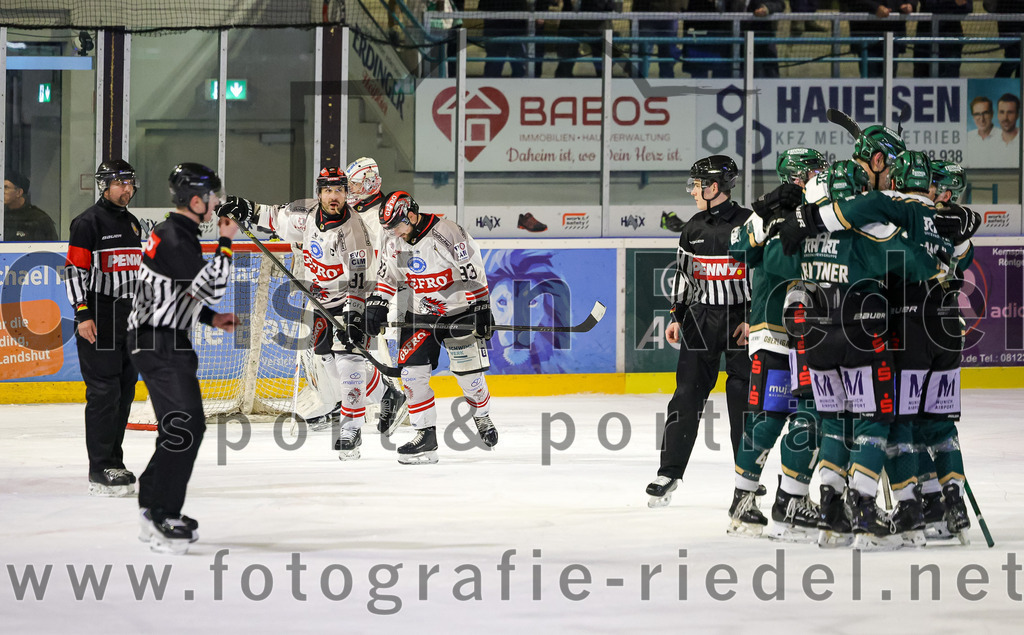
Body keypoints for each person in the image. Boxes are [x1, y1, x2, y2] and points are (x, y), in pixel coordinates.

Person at [218, 167, 389, 460]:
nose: (334, 197)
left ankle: (351, 428)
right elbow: (271, 215)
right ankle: (387, 395)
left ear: (347, 193)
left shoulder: (355, 231)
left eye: (339, 191)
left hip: (351, 299)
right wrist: (244, 207)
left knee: (348, 361)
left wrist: (355, 317)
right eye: (328, 191)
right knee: (327, 363)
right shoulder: (305, 212)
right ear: (319, 192)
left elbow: (360, 280)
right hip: (319, 299)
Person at [129, 163, 236, 555]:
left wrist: (211, 319)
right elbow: (212, 286)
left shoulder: (173, 232)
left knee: (181, 426)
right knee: (186, 427)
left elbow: (178, 294)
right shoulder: (175, 236)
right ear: (196, 201)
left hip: (159, 341)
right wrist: (226, 241)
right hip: (159, 344)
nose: (217, 204)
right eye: (213, 198)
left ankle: (151, 504)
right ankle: (162, 513)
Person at [726, 147, 827, 539]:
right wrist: (766, 214)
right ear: (799, 176)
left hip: (811, 330)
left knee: (813, 412)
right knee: (773, 416)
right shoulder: (776, 210)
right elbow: (738, 246)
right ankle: (751, 498)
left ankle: (787, 498)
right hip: (774, 328)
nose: (823, 176)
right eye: (817, 171)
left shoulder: (821, 205)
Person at [646, 155, 752, 507]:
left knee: (742, 397)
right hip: (702, 319)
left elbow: (765, 276)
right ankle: (669, 471)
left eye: (696, 184)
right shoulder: (692, 228)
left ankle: (747, 479)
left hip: (742, 322)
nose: (692, 190)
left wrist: (756, 319)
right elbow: (683, 276)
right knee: (686, 393)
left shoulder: (751, 224)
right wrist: (677, 316)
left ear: (714, 187)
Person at [365, 190, 498, 464]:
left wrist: (482, 307)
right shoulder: (395, 240)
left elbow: (471, 269)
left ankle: (482, 415)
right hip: (418, 314)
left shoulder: (447, 233)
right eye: (389, 228)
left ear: (411, 215)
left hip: (458, 312)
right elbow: (389, 276)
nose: (394, 233)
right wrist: (377, 305)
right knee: (412, 377)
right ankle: (425, 437)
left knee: (469, 379)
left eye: (397, 226)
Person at [64, 159, 143, 497]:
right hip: (100, 314)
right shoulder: (87, 223)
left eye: (129, 182)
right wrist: (83, 315)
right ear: (104, 186)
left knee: (124, 391)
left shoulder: (133, 224)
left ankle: (115, 461)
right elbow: (74, 272)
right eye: (119, 182)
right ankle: (99, 467)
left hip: (130, 317)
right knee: (104, 393)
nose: (126, 189)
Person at [848, 1, 916, 78]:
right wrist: (875, 7)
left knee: (890, 78)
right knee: (870, 79)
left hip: (893, 33)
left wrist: (909, 5)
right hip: (866, 34)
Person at [913, 1, 971, 78]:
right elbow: (931, 5)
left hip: (951, 43)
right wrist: (955, 3)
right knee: (921, 81)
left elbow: (968, 8)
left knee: (950, 79)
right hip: (925, 42)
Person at [3, 169, 58, 241]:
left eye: (6, 187)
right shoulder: (2, 215)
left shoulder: (38, 219)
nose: (2, 191)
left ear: (19, 192)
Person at [479, 0, 528, 78]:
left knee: (519, 65)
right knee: (494, 65)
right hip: (495, 29)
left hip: (517, 28)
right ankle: (490, 85)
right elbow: (483, 7)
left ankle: (521, 87)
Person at [633, 0, 682, 78]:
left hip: (670, 16)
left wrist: (679, 7)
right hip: (646, 16)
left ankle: (667, 82)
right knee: (645, 53)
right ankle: (641, 82)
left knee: (668, 53)